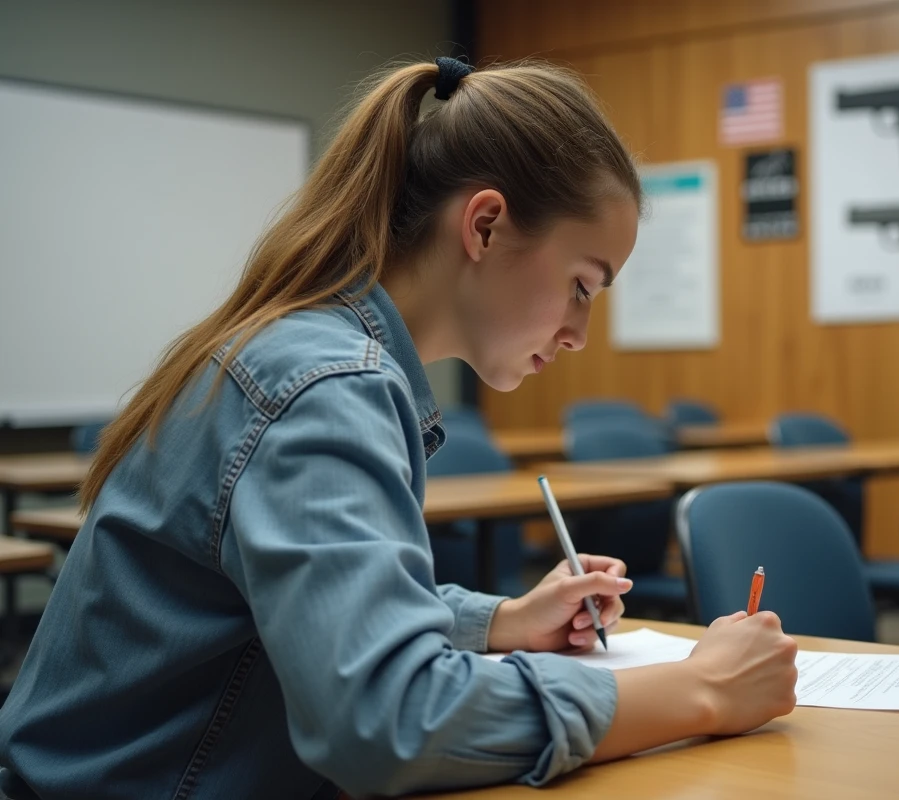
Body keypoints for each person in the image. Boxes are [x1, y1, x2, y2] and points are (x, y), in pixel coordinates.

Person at [0, 58, 798, 799]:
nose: (579, 334)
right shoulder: (328, 385)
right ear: (484, 226)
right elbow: (386, 719)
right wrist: (700, 689)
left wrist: (497, 623)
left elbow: (294, 602)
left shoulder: (317, 352)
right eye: (583, 286)